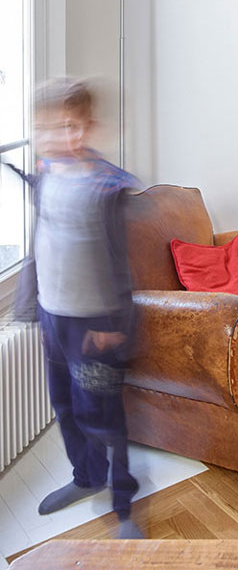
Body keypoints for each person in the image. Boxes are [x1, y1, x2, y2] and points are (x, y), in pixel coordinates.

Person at [6, 78, 143, 538]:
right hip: (53, 318)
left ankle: (124, 503)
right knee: (64, 407)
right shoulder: (45, 175)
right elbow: (45, 240)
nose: (66, 138)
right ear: (37, 132)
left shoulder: (104, 186)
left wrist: (113, 324)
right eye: (52, 128)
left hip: (94, 326)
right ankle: (87, 478)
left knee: (102, 416)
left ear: (88, 126)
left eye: (74, 126)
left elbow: (121, 263)